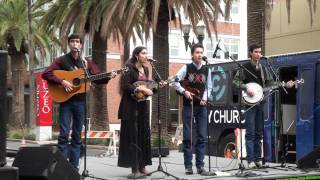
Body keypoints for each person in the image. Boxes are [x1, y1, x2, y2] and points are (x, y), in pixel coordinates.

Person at [42, 33, 116, 170]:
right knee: (64, 134)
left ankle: (74, 167)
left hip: (80, 102)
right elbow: (46, 73)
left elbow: (97, 77)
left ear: (81, 45)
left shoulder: (86, 62)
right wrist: (62, 81)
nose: (75, 44)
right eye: (73, 41)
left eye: (78, 42)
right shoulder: (61, 60)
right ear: (69, 44)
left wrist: (109, 76)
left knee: (77, 135)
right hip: (66, 101)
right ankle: (61, 167)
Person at [232, 44, 294, 168]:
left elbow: (271, 83)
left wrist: (284, 85)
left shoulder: (263, 68)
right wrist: (246, 88)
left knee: (259, 133)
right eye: (256, 52)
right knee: (250, 133)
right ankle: (249, 161)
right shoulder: (244, 67)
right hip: (249, 103)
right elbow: (235, 82)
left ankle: (257, 159)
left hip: (260, 103)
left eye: (260, 52)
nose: (258, 54)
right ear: (250, 53)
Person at [172, 43, 212, 175]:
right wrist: (184, 92)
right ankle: (188, 166)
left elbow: (209, 87)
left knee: (202, 136)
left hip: (201, 107)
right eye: (197, 52)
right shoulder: (186, 68)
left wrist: (205, 98)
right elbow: (174, 81)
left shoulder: (207, 70)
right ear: (192, 55)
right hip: (189, 106)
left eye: (201, 52)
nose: (200, 55)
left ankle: (200, 166)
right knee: (188, 137)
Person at [117, 46, 153, 179]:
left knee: (143, 134)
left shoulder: (147, 69)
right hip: (130, 106)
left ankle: (142, 165)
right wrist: (141, 88)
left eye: (146, 53)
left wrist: (150, 89)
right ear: (136, 55)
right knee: (133, 136)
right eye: (143, 53)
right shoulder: (129, 68)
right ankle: (134, 168)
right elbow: (125, 86)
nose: (146, 55)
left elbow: (147, 86)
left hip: (142, 106)